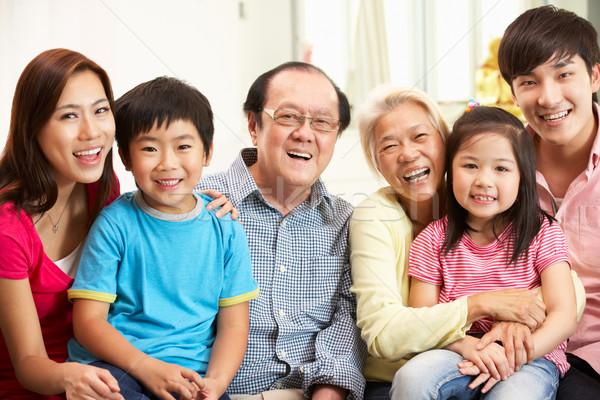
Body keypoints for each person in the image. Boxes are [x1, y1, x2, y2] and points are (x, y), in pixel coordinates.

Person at [349, 85, 586, 400]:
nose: (484, 180)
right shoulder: (431, 237)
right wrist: (471, 343)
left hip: (530, 356)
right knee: (413, 379)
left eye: (501, 168)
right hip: (455, 352)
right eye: (470, 166)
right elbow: (423, 315)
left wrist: (513, 349)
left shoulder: (541, 231)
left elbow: (565, 311)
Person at [67, 76, 259, 400]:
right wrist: (145, 367)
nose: (167, 163)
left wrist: (216, 384)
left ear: (207, 152)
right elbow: (88, 322)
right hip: (121, 367)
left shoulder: (225, 227)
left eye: (183, 146)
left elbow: (234, 326)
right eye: (149, 149)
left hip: (193, 377)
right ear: (126, 159)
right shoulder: (115, 224)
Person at [197, 62, 366, 400]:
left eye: (322, 122)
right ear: (253, 125)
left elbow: (348, 320)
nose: (305, 133)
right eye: (288, 116)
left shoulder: (348, 222)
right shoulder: (195, 202)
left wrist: (329, 393)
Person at [0, 48, 125, 400]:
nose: (91, 132)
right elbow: (27, 363)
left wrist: (189, 205)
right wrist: (74, 376)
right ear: (33, 127)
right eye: (69, 116)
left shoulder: (101, 189)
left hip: (102, 380)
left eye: (101, 110)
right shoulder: (8, 230)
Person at [497, 5, 600, 398]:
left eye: (563, 74)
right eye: (529, 82)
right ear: (513, 93)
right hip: (513, 349)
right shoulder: (496, 169)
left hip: (591, 356)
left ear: (594, 75)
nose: (548, 97)